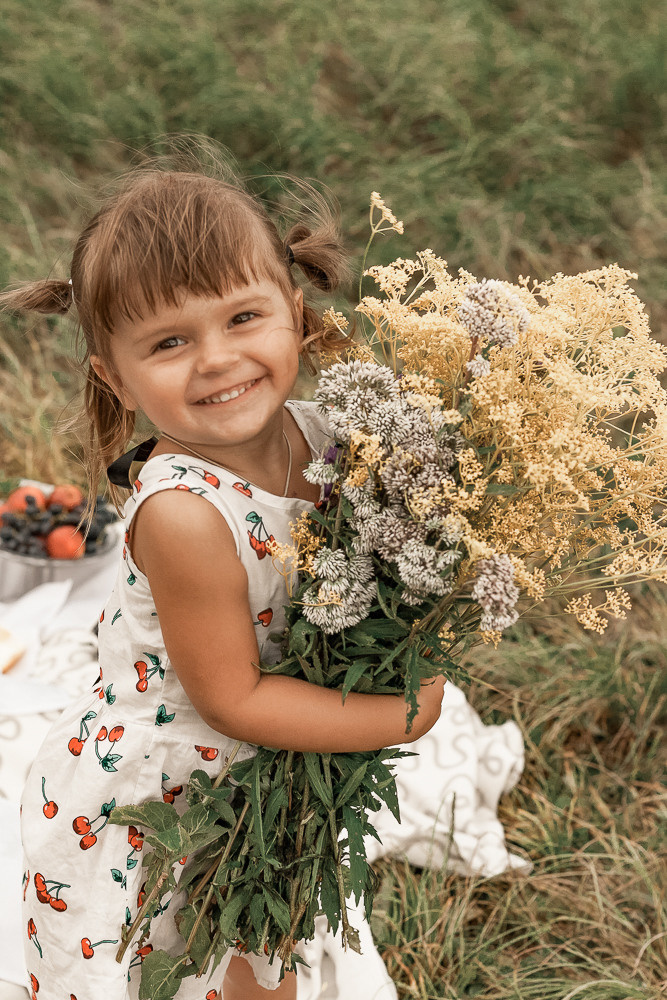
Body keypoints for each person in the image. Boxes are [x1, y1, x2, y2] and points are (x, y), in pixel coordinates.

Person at [1, 156, 445, 1000]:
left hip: (275, 766)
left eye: (244, 317)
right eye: (168, 342)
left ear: (299, 316)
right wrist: (398, 714)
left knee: (274, 951)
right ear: (113, 377)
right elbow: (232, 699)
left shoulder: (333, 440)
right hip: (182, 795)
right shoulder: (184, 514)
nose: (215, 359)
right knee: (209, 964)